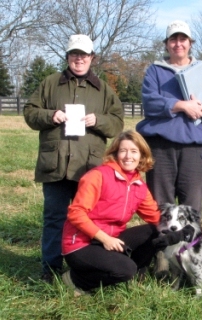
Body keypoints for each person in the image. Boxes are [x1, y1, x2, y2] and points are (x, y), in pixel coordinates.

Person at [23, 34, 124, 282]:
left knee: (88, 221)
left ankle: (87, 266)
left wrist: (98, 120)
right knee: (54, 218)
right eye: (74, 54)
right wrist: (50, 116)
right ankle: (50, 268)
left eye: (84, 54)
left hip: (88, 168)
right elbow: (29, 112)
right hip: (55, 166)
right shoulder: (50, 83)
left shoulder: (103, 90)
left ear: (92, 58)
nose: (79, 59)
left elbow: (118, 123)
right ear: (67, 56)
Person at [136, 20, 202, 277]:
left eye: (183, 39)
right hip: (162, 147)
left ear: (190, 43)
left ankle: (191, 258)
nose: (178, 44)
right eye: (173, 40)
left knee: (191, 205)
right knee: (161, 204)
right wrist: (179, 105)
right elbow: (150, 101)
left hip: (196, 147)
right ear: (166, 44)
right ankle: (162, 258)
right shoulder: (155, 71)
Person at [61, 130, 195, 296]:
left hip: (112, 240)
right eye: (123, 150)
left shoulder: (138, 184)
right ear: (115, 153)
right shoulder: (97, 176)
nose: (128, 156)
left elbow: (157, 217)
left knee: (155, 231)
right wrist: (104, 238)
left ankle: (135, 276)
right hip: (81, 244)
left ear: (142, 155)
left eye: (134, 151)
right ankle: (75, 279)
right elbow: (76, 213)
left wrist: (195, 229)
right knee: (125, 269)